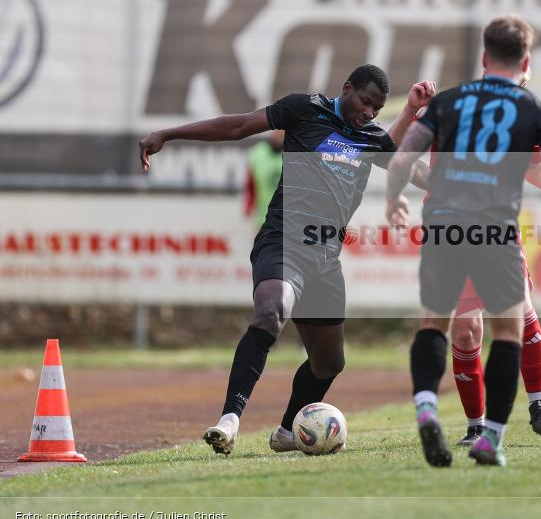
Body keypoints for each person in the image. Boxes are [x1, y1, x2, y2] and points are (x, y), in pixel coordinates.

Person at [139, 66, 436, 455]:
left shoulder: (371, 139)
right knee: (271, 311)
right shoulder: (305, 109)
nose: (369, 113)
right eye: (365, 102)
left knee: (329, 363)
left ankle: (286, 432)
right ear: (346, 89)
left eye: (377, 108)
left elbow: (416, 171)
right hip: (283, 242)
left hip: (325, 257)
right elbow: (239, 126)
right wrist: (168, 134)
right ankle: (229, 420)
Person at [385, 15, 541, 467]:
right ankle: (490, 436)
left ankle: (428, 404)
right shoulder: (535, 111)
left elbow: (402, 156)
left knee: (435, 324)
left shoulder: (449, 103)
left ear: (485, 58)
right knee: (503, 330)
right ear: (525, 61)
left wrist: (392, 199)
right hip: (492, 229)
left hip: (444, 225)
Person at [245, 129, 285, 227]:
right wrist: (248, 206)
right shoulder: (258, 153)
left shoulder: (294, 153)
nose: (279, 133)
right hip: (264, 218)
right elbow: (251, 184)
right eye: (277, 129)